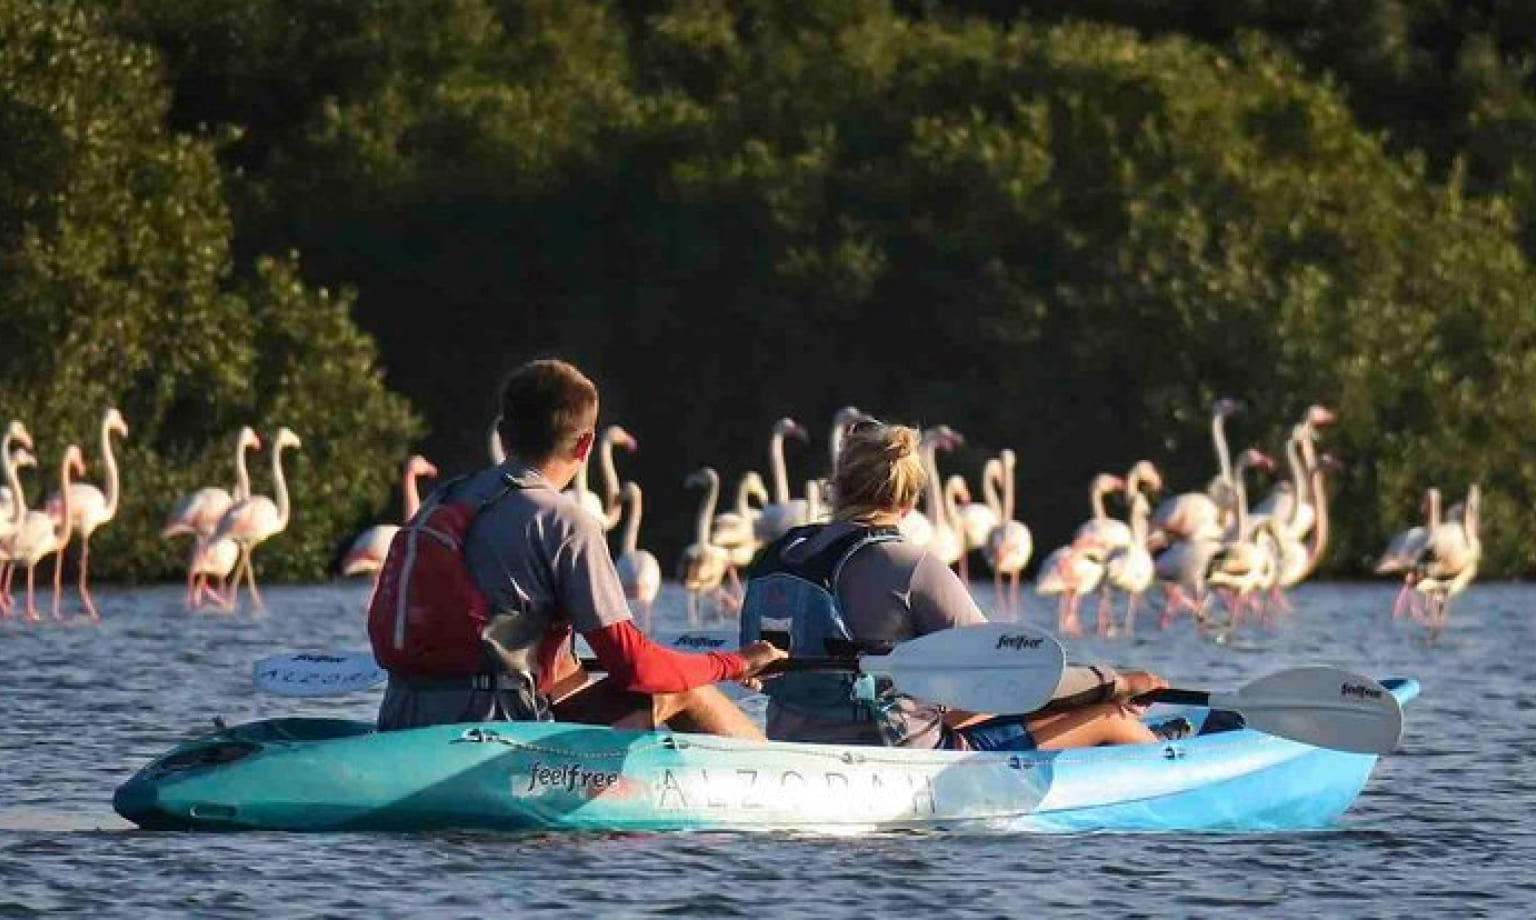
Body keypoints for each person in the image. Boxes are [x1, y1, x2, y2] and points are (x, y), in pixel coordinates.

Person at [371, 358, 785, 735]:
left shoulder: (443, 498)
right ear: (586, 446)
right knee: (687, 691)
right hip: (496, 731)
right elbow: (634, 666)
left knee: (570, 673)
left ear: (503, 434)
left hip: (401, 715)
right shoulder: (564, 521)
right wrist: (735, 663)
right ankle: (777, 785)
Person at [740, 419, 1180, 752]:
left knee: (967, 700)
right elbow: (1005, 674)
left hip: (794, 745)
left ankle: (1146, 732)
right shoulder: (910, 566)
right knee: (1107, 715)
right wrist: (1114, 681)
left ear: (835, 489)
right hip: (901, 760)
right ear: (911, 499)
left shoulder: (784, 552)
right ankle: (1160, 753)